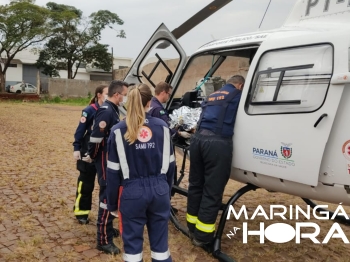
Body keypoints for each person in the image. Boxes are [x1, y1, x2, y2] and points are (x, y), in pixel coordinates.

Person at [106, 83, 175, 262]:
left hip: (132, 194)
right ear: (150, 102)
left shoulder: (118, 130)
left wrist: (112, 204)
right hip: (160, 191)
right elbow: (171, 166)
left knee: (133, 250)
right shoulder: (163, 127)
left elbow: (112, 173)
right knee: (161, 248)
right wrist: (166, 192)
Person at [186, 75, 245, 250]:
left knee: (196, 185)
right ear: (240, 85)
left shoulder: (212, 95)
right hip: (217, 143)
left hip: (197, 141)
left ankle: (192, 226)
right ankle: (203, 237)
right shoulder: (238, 95)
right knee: (212, 190)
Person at [83, 80, 129, 255]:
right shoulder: (106, 111)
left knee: (112, 196)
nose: (125, 98)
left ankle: (108, 229)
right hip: (104, 159)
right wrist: (93, 156)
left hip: (111, 160)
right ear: (117, 94)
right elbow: (96, 139)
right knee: (106, 199)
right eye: (124, 94)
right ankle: (103, 240)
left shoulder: (113, 110)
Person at [72, 85, 108, 225]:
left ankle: (104, 216)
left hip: (103, 154)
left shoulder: (110, 110)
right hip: (87, 152)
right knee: (86, 184)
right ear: (99, 95)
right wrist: (76, 147)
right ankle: (81, 212)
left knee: (105, 186)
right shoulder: (89, 111)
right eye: (106, 93)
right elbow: (80, 131)